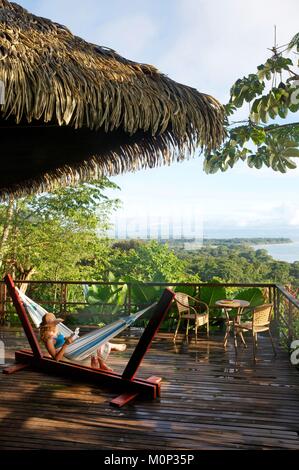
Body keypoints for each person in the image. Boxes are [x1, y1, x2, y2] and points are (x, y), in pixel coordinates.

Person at [39, 312, 126, 371]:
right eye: (55, 323)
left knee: (95, 342)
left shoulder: (54, 331)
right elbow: (56, 359)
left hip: (70, 346)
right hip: (68, 351)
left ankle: (100, 362)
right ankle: (110, 348)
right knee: (101, 343)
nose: (56, 324)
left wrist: (69, 338)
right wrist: (66, 344)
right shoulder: (49, 339)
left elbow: (60, 341)